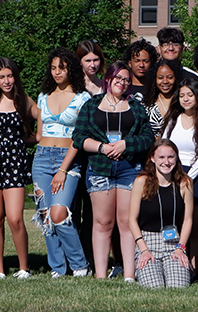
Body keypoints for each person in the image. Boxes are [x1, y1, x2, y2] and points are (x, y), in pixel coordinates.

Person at [72, 62, 154, 281]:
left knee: (126, 222)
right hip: (99, 169)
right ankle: (100, 275)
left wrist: (127, 144)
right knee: (102, 223)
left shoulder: (135, 106)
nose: (122, 83)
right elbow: (78, 137)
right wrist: (101, 147)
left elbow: (148, 138)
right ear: (108, 79)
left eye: (126, 80)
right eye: (118, 78)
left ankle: (129, 274)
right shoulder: (92, 105)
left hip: (130, 169)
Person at [0, 58, 38, 280]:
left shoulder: (24, 101)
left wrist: (34, 138)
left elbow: (43, 118)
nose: (6, 81)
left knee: (15, 218)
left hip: (14, 164)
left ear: (15, 77)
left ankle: (24, 268)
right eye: (2, 77)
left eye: (10, 76)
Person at [33, 48, 91, 278]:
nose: (57, 72)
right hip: (41, 157)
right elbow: (38, 134)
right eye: (54, 67)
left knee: (59, 213)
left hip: (68, 159)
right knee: (46, 215)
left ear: (71, 69)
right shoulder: (43, 96)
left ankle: (80, 265)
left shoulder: (83, 98)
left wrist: (62, 169)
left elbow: (79, 138)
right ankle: (58, 267)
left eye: (62, 67)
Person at [162, 78, 198, 274]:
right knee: (175, 223)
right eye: (182, 95)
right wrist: (172, 174)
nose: (185, 99)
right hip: (171, 173)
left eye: (190, 95)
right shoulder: (172, 119)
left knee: (193, 225)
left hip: (197, 176)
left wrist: (188, 177)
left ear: (197, 96)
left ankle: (194, 269)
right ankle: (173, 264)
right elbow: (164, 147)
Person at [129, 140, 194, 289]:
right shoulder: (141, 181)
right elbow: (132, 220)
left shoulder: (185, 183)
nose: (166, 162)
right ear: (153, 158)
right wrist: (143, 249)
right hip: (147, 241)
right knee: (154, 286)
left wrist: (181, 248)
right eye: (161, 157)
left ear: (176, 158)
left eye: (170, 157)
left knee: (178, 286)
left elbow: (188, 220)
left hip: (174, 242)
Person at [142, 58, 182, 138]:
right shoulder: (147, 104)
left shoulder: (182, 102)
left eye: (170, 77)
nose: (165, 81)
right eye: (160, 78)